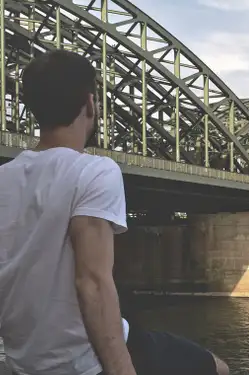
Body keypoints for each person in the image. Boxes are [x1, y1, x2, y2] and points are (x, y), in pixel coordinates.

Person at [0, 50, 228, 375]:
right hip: (82, 361)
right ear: (90, 104)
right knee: (217, 368)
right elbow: (92, 282)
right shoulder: (94, 171)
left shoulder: (3, 178)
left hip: (25, 360)